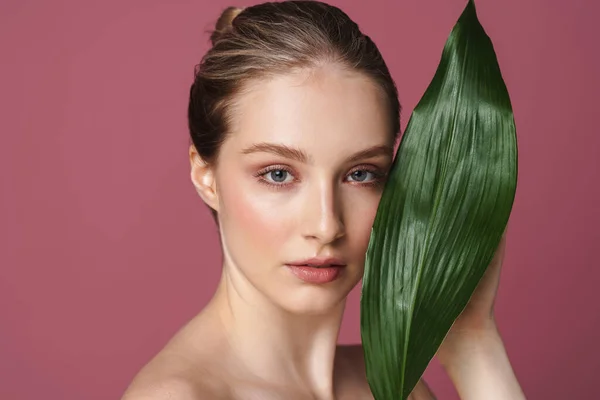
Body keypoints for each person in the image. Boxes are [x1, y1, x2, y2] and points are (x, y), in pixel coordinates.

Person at [122, 1, 525, 399]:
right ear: (205, 175)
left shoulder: (394, 388)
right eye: (278, 174)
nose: (326, 225)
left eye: (360, 174)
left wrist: (471, 339)